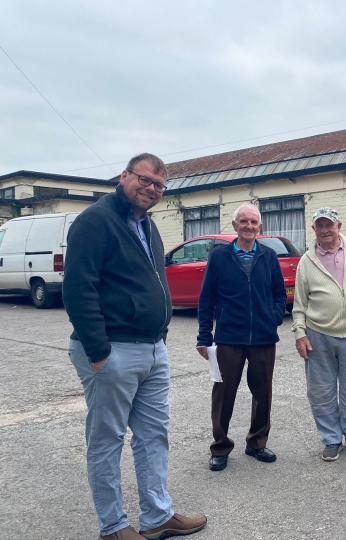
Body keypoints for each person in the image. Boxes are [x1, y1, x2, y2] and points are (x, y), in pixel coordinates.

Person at [64, 153, 206, 540]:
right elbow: (78, 289)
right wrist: (98, 353)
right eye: (144, 180)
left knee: (153, 435)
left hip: (152, 349)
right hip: (113, 350)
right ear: (124, 176)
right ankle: (113, 528)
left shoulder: (148, 225)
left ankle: (157, 516)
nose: (152, 189)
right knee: (107, 440)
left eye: (159, 185)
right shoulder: (95, 221)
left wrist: (160, 337)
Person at [196, 204, 287, 472]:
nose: (249, 226)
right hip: (229, 338)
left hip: (263, 338)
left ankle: (257, 442)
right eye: (244, 221)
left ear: (260, 227)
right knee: (224, 393)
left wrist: (273, 318)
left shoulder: (269, 256)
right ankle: (221, 446)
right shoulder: (220, 256)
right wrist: (204, 335)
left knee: (263, 393)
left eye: (254, 222)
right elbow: (207, 298)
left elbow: (279, 293)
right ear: (235, 226)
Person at [292, 207, 346, 461]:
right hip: (318, 335)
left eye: (328, 225)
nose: (324, 230)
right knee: (321, 391)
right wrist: (300, 334)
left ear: (338, 226)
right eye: (319, 226)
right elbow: (299, 305)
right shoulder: (306, 263)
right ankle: (331, 438)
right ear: (313, 230)